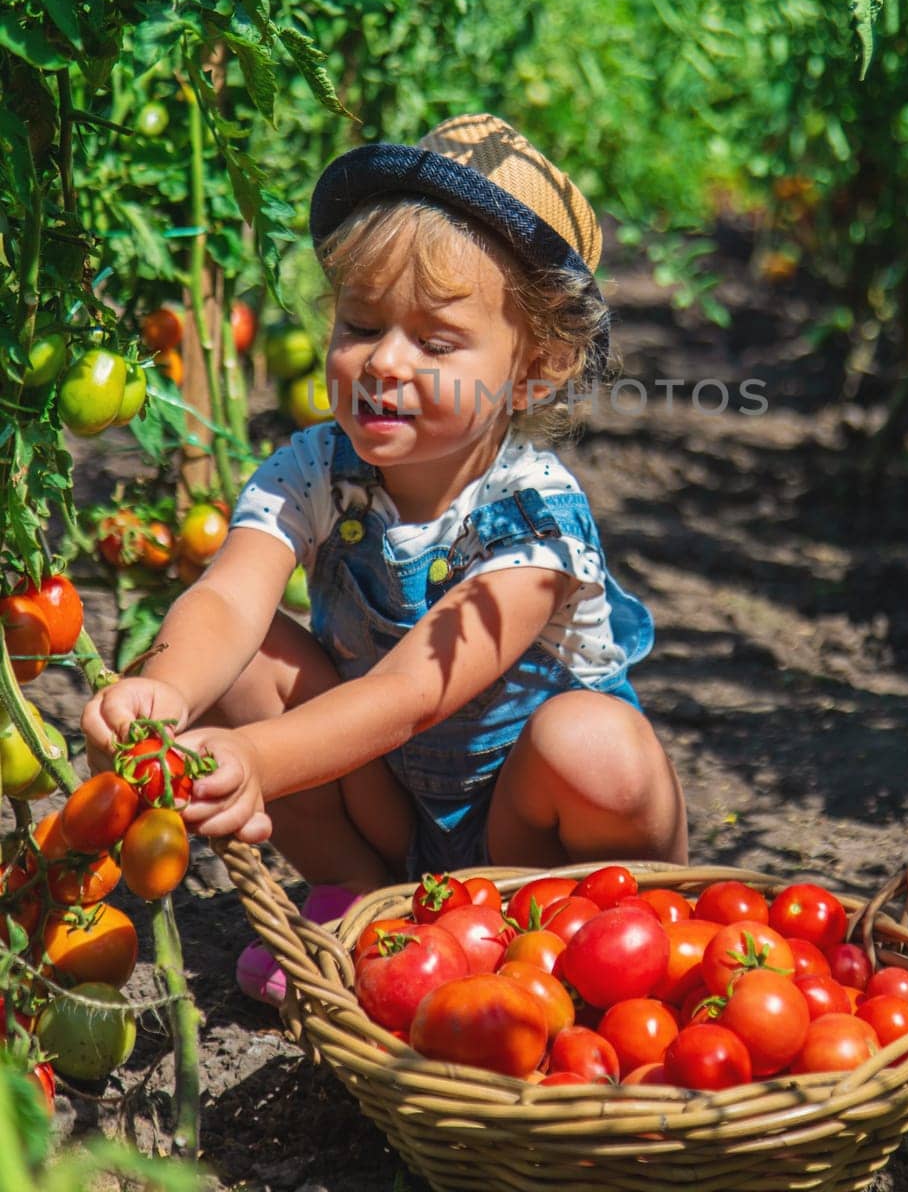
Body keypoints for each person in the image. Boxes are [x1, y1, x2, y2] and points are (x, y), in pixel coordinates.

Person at [81, 114, 687, 998]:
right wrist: (166, 691)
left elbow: (407, 696)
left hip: (529, 832)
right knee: (249, 656)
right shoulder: (316, 467)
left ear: (537, 369)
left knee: (595, 744)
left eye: (435, 343)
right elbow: (227, 598)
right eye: (360, 325)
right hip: (393, 815)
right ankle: (367, 906)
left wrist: (255, 762)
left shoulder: (534, 516)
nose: (383, 363)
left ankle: (586, 940)